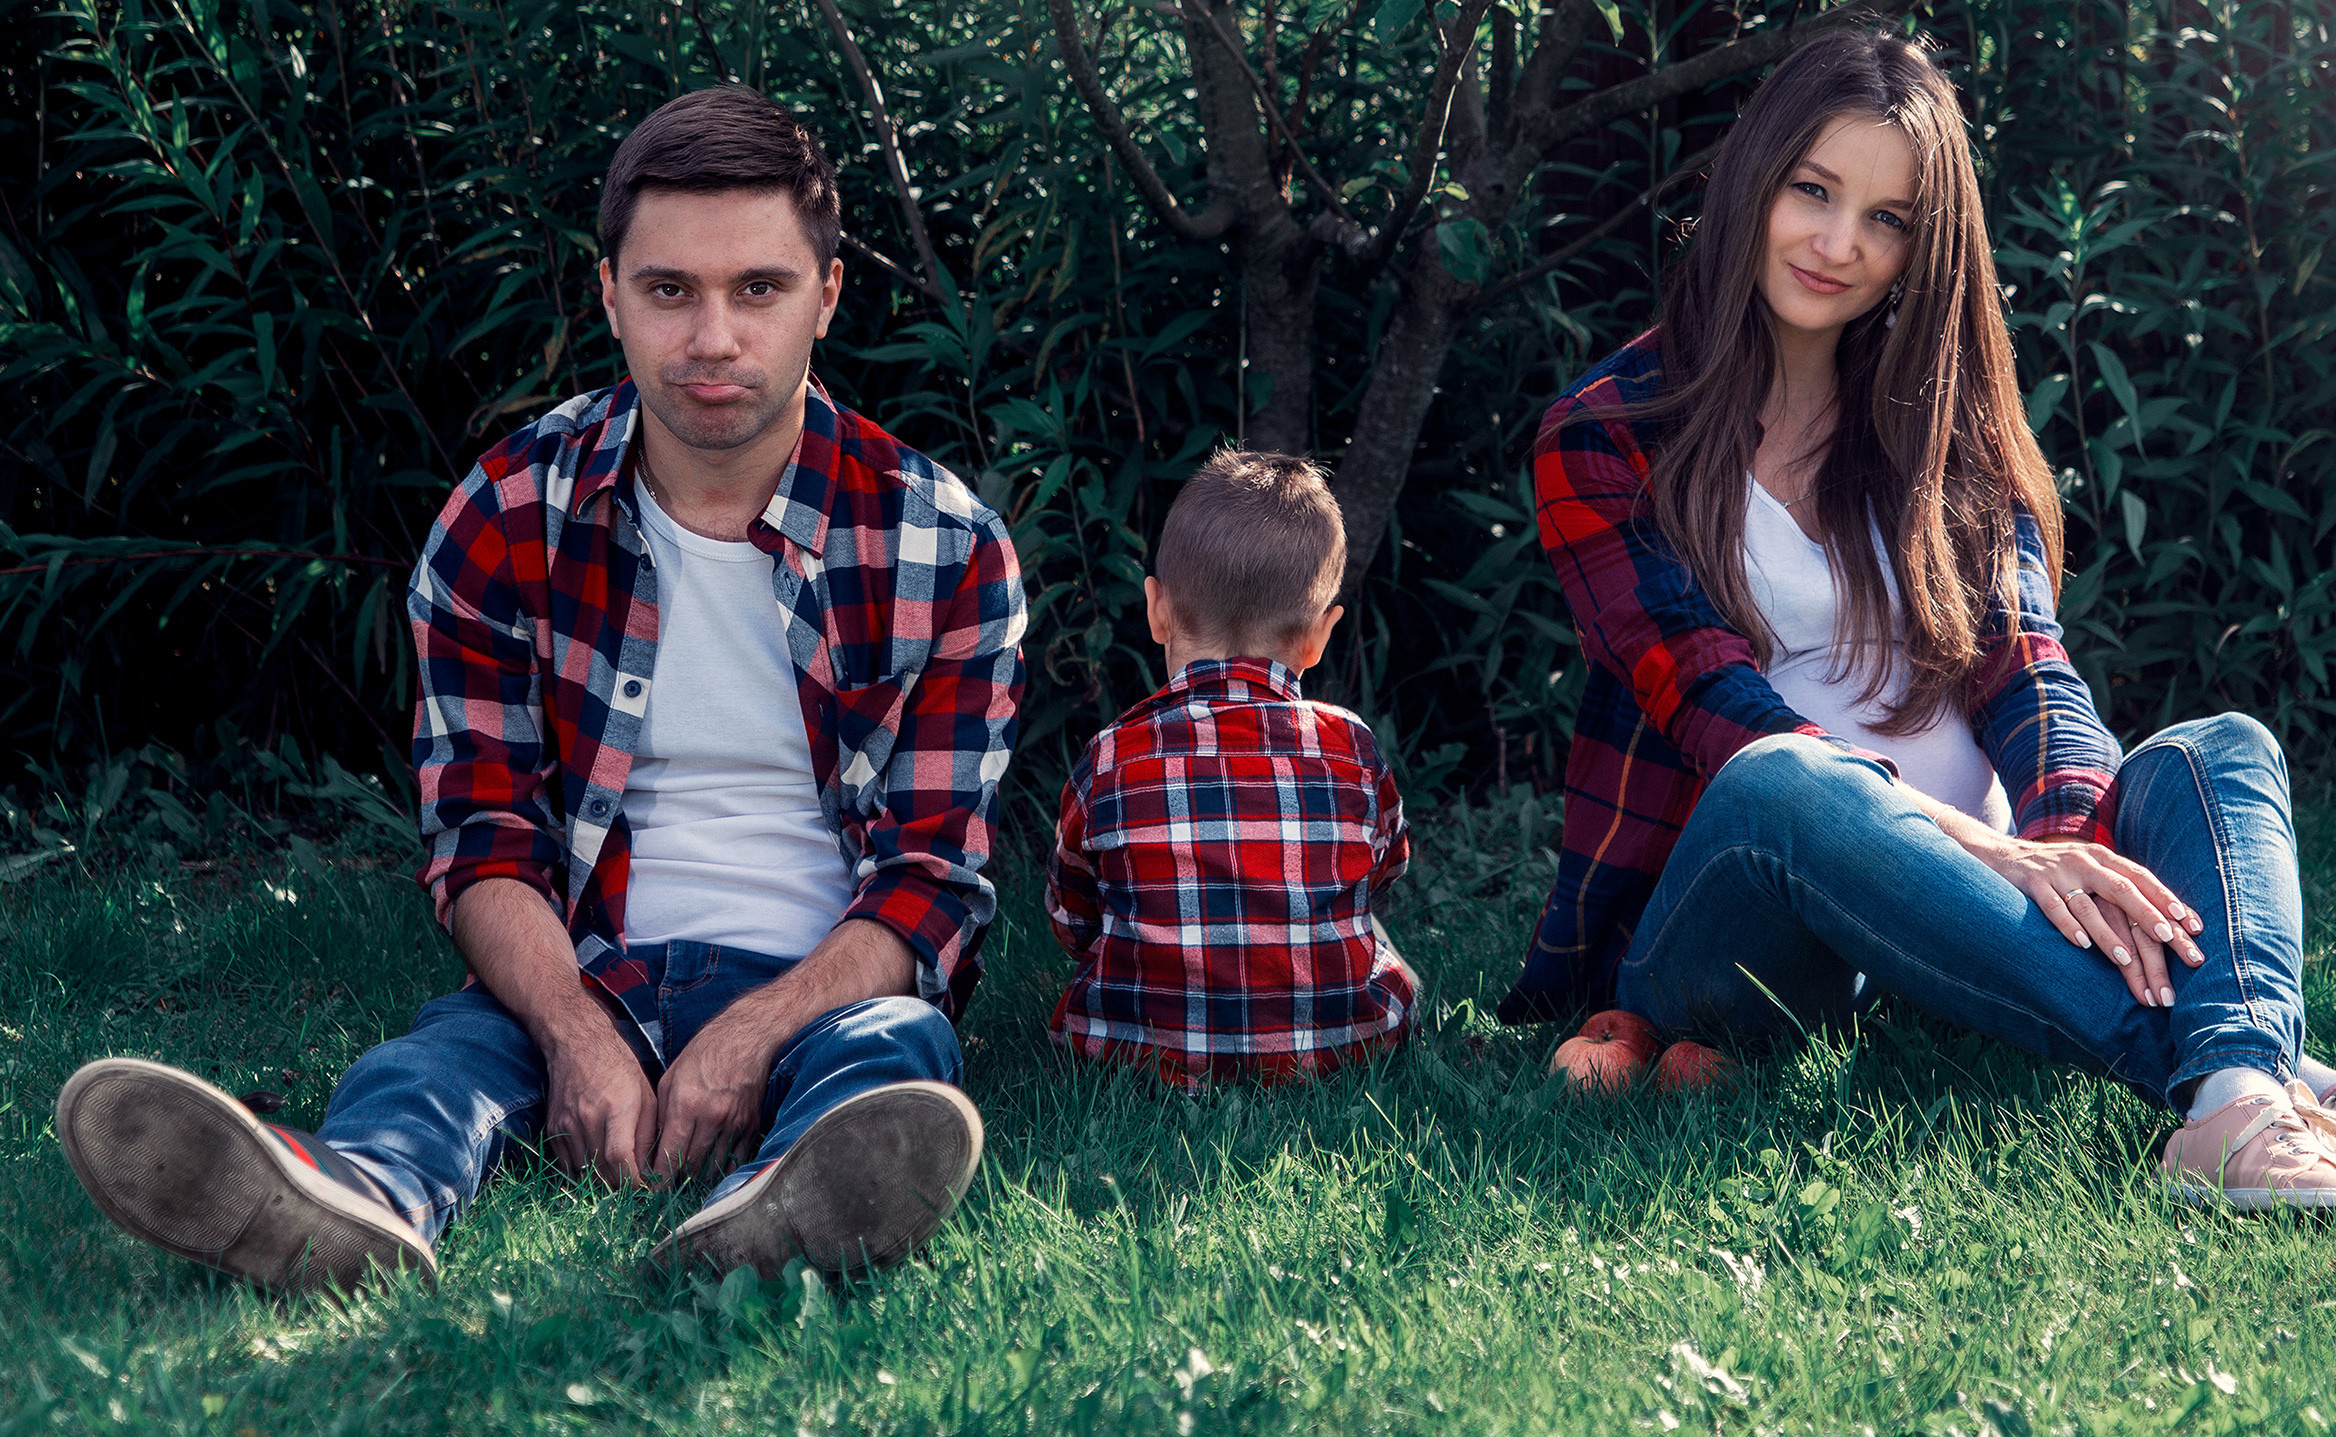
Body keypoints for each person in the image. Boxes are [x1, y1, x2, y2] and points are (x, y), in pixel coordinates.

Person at [1502, 30, 2336, 1222]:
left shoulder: (1944, 431)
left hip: (1971, 921)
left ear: (1928, 249)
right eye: (1811, 191)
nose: (1837, 244)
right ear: (1751, 181)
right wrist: (2005, 855)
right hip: (1741, 922)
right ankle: (2287, 1079)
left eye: (1888, 219)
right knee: (1789, 779)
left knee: (2218, 746)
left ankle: (2231, 1096)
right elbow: (1717, 715)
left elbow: (2034, 678)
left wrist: (2072, 848)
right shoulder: (1606, 434)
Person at [56, 85, 1027, 1295]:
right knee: (441, 1062)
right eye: (670, 290)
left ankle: (777, 1209)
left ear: (826, 298)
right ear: (609, 292)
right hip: (582, 966)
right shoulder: (509, 513)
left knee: (894, 1057)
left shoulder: (944, 543)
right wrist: (573, 1031)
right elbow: (482, 836)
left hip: (821, 989)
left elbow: (930, 880)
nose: (713, 337)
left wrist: (749, 1036)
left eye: (758, 290)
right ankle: (343, 1200)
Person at [1043, 450, 1415, 1087]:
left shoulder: (1110, 755)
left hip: (1135, 1059)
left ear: (1156, 610)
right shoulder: (1348, 745)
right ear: (1320, 636)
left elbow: (1071, 916)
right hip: (1342, 1047)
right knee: (1391, 957)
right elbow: (1384, 870)